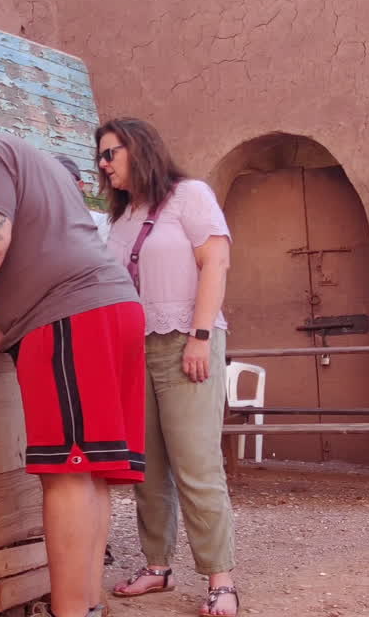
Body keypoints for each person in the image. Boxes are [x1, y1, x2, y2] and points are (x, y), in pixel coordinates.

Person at [0, 99, 145, 617]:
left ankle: (67, 612)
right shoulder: (26, 156)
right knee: (93, 469)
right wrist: (14, 325)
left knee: (65, 472)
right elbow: (44, 243)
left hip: (72, 315)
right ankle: (87, 606)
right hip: (110, 308)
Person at [97, 118, 239, 616]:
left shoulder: (189, 195)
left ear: (138, 150)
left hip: (186, 340)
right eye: (100, 155)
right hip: (134, 350)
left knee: (197, 463)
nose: (103, 164)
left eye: (110, 153)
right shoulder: (120, 218)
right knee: (147, 467)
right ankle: (157, 565)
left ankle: (220, 577)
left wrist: (200, 337)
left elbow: (215, 264)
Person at [55, 154, 111, 243]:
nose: (59, 185)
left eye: (66, 179)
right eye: (53, 179)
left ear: (80, 185)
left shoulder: (99, 223)